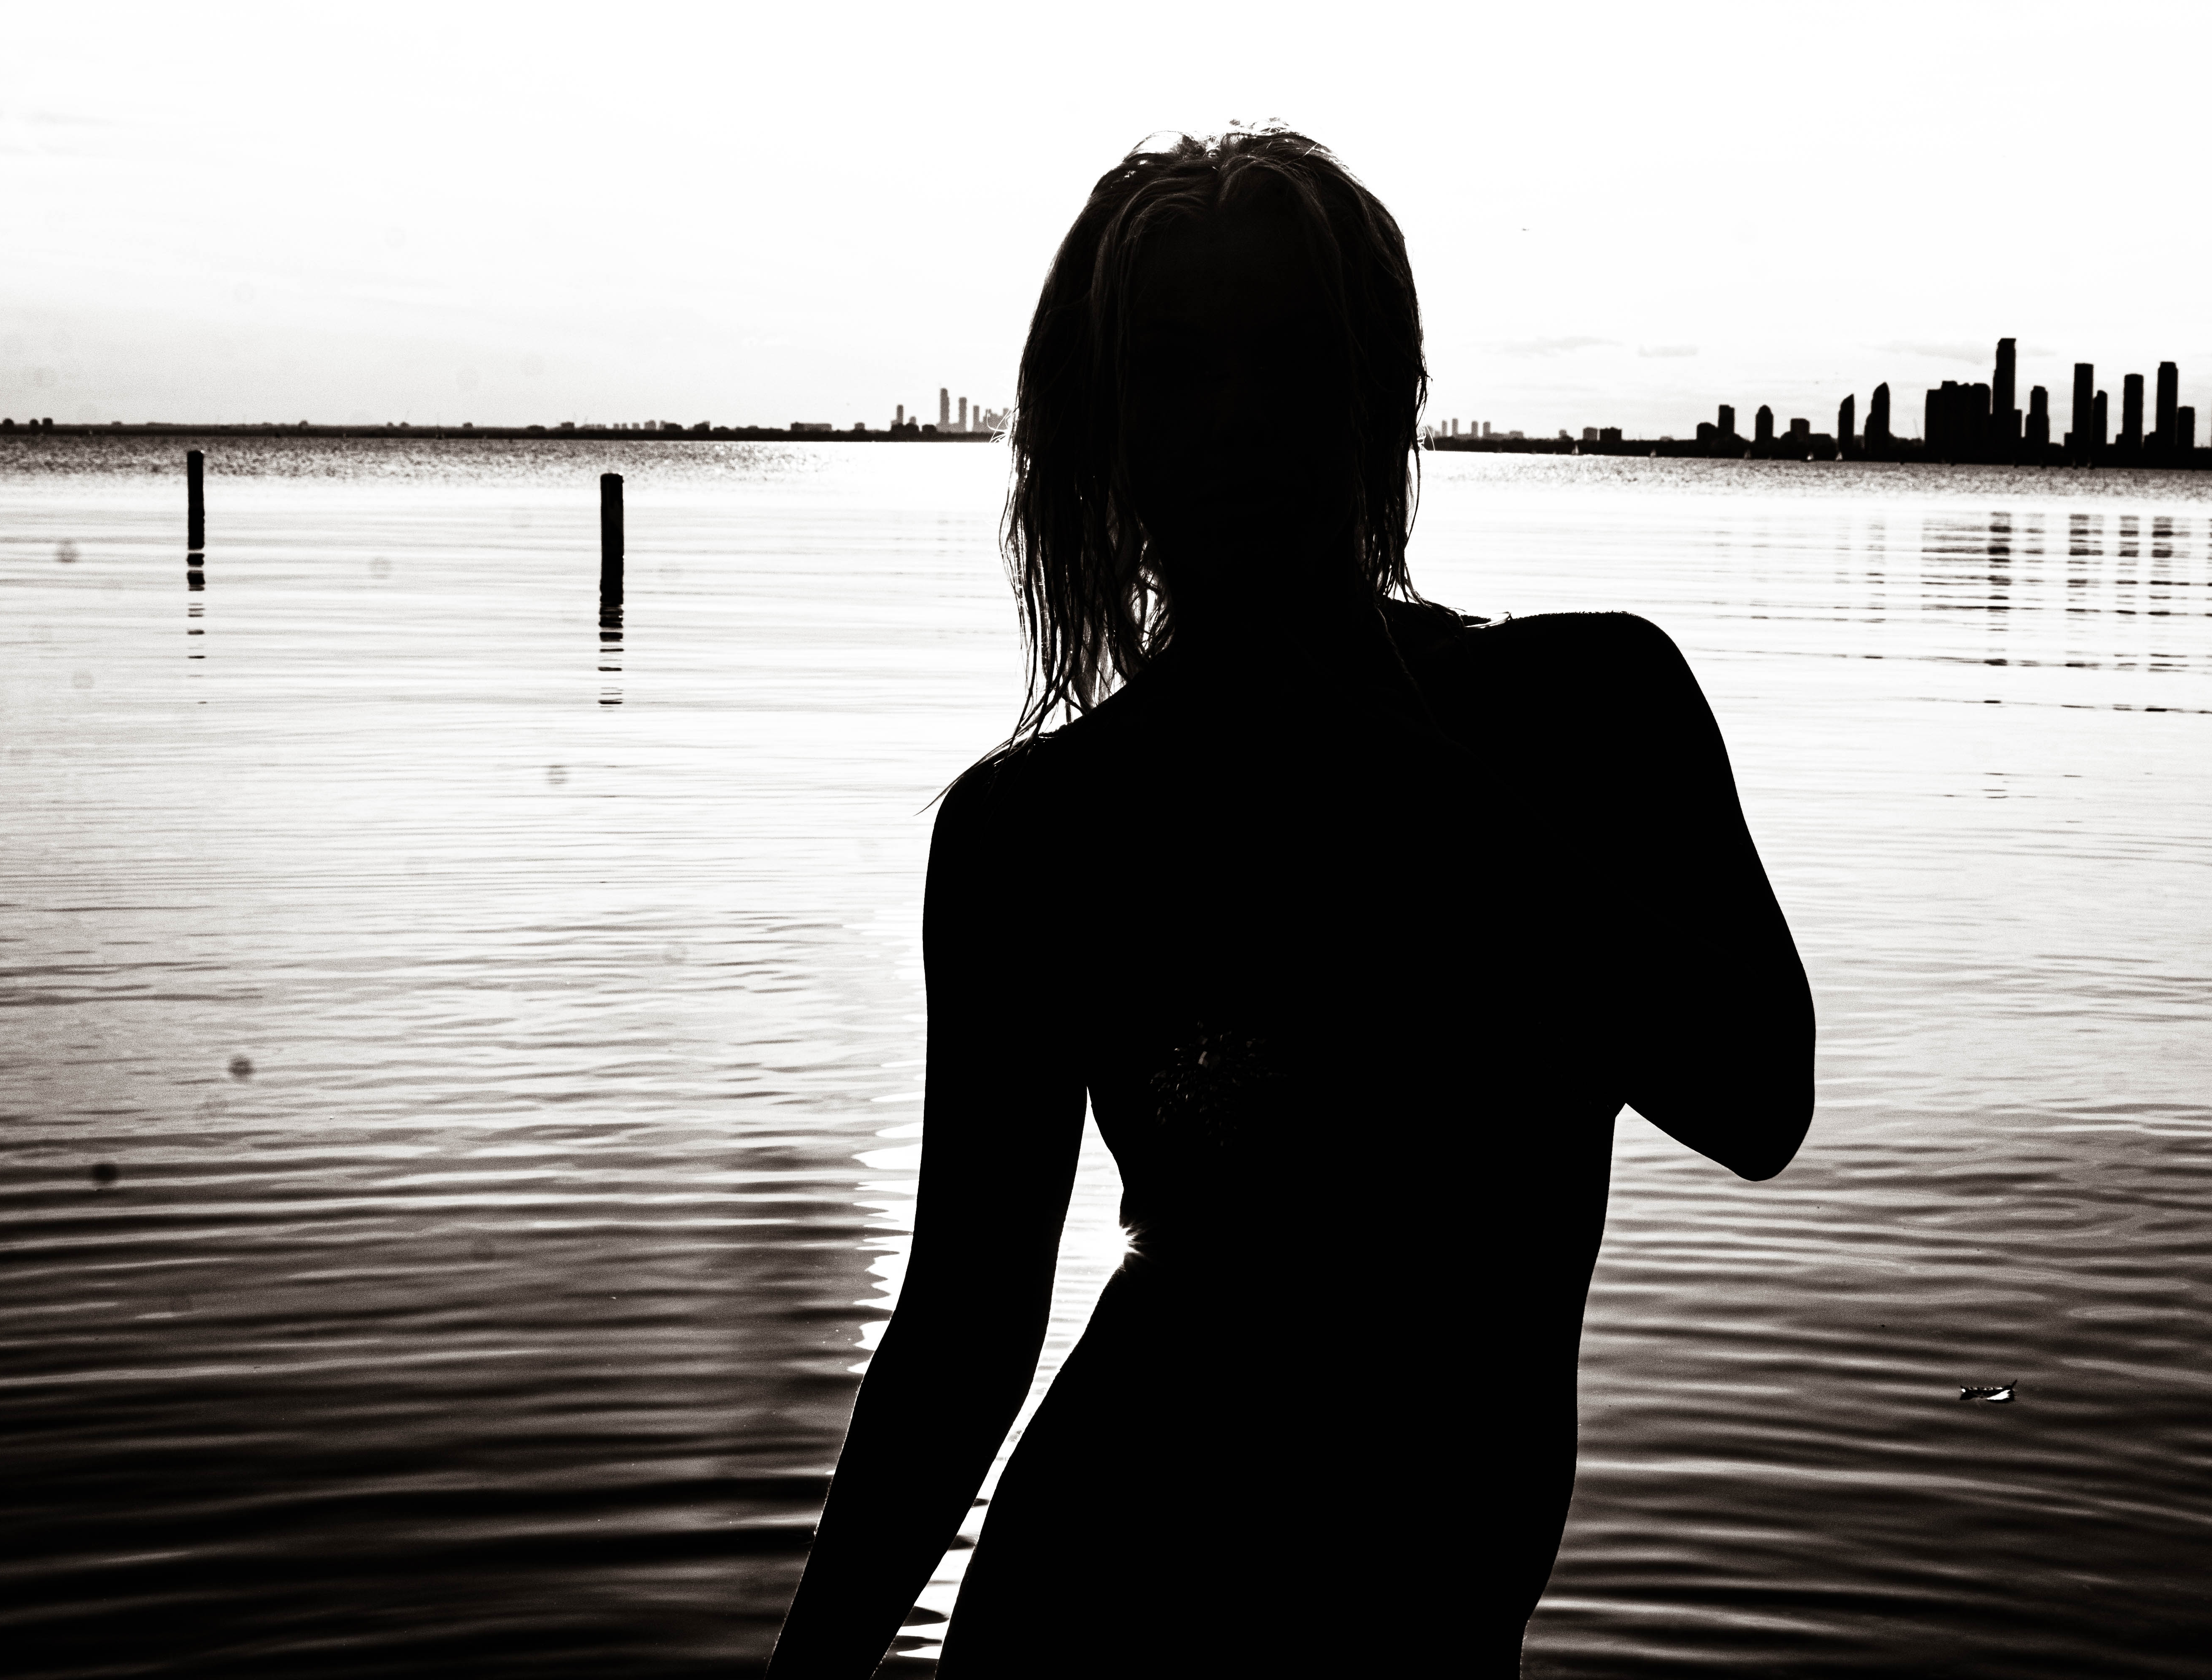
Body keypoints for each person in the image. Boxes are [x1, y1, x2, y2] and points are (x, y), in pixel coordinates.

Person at [765, 129, 1814, 1679]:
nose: (1238, 420)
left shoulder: (1587, 709)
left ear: (1382, 396)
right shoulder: (1039, 833)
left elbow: (1758, 1100)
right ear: (1103, 430)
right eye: (1178, 370)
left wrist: (1423, 786)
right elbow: (962, 1341)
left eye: (1289, 357)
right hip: (1095, 1615)